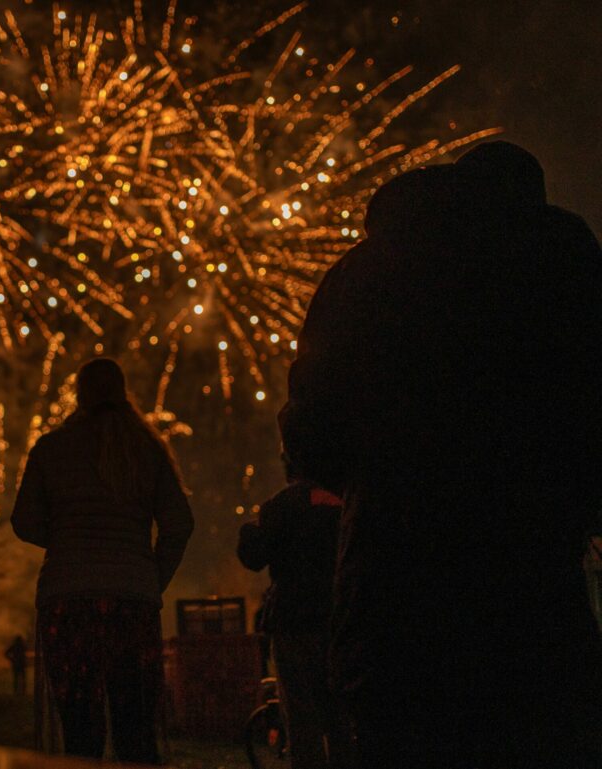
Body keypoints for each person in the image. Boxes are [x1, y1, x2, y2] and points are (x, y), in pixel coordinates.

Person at [280, 142, 602, 767]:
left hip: (393, 576)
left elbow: (312, 426)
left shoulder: (366, 272)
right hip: (534, 572)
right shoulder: (567, 260)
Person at [11, 357, 194, 764]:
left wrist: (64, 539)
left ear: (79, 394)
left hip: (67, 600)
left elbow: (23, 522)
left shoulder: (51, 447)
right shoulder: (148, 449)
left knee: (79, 731)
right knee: (136, 729)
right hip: (132, 601)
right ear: (122, 391)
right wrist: (150, 578)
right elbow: (179, 523)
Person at [238, 472, 345, 769]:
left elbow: (253, 556)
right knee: (341, 718)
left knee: (301, 717)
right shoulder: (348, 501)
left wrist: (249, 530)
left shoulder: (284, 505)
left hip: (294, 621)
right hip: (340, 621)